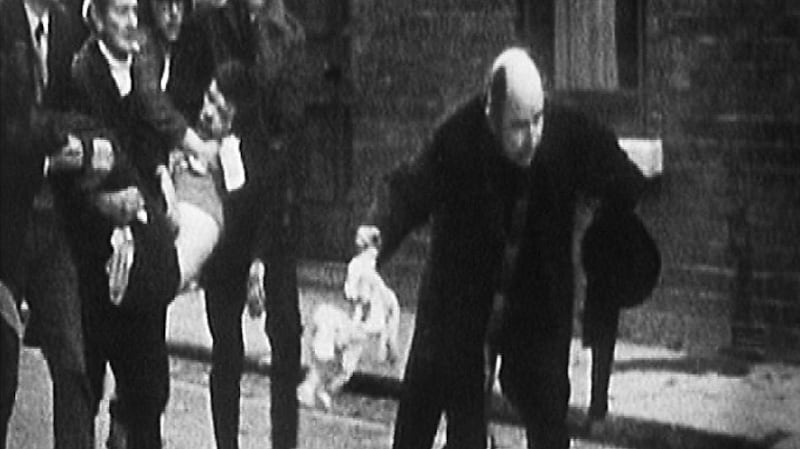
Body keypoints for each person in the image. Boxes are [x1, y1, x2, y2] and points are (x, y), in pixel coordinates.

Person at [353, 47, 647, 449]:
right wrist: (375, 237)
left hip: (535, 307)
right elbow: (408, 189)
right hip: (459, 304)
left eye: (538, 120)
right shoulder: (459, 136)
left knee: (547, 418)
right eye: (518, 126)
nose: (533, 137)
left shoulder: (566, 132)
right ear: (491, 114)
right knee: (437, 422)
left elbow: (622, 177)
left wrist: (612, 230)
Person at [171, 1, 307, 448]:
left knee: (286, 339)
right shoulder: (205, 26)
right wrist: (205, 143)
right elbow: (179, 101)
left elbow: (292, 128)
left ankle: (284, 443)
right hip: (223, 209)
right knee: (225, 347)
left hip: (272, 208)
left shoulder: (287, 34)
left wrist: (266, 250)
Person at [0, 0, 94, 447]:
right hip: (5, 226)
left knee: (74, 365)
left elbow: (86, 110)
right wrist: (44, 161)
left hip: (52, 225)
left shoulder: (67, 27)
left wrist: (90, 153)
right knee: (1, 372)